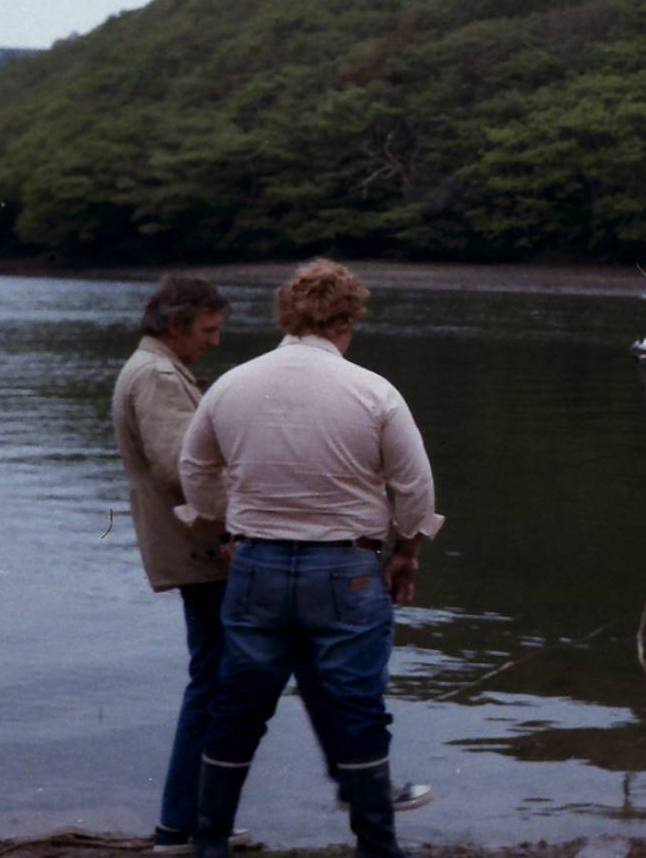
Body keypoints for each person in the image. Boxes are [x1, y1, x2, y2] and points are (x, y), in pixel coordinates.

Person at [179, 259, 444, 858]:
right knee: (356, 710)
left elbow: (194, 471)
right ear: (348, 320)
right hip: (346, 570)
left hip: (255, 567)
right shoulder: (373, 390)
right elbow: (416, 490)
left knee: (238, 709)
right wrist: (406, 552)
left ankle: (210, 843)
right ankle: (377, 848)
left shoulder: (232, 384)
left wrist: (228, 523)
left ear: (285, 316)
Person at [111, 275, 234, 852]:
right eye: (207, 330)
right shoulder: (158, 376)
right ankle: (181, 826)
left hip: (192, 548)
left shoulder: (155, 368)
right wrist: (239, 529)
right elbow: (182, 469)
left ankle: (187, 824)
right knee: (214, 685)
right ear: (175, 324)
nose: (214, 342)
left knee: (214, 683)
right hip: (201, 553)